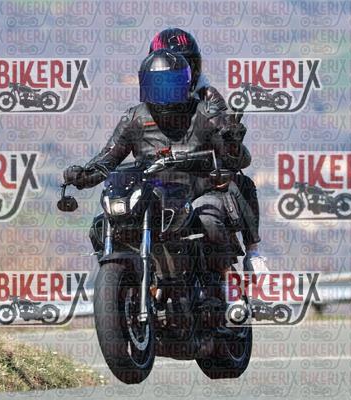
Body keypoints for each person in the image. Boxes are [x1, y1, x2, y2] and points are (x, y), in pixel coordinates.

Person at [64, 49, 249, 273]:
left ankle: (221, 279)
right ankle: (124, 279)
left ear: (186, 84)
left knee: (209, 222)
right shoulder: (135, 117)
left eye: (171, 85)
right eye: (158, 85)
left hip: (195, 193)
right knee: (99, 228)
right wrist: (83, 176)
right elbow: (108, 158)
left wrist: (232, 143)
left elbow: (239, 161)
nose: (165, 93)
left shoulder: (204, 113)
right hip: (149, 195)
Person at [148, 28, 266, 271]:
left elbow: (234, 155)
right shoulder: (145, 107)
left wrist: (230, 140)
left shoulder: (209, 99)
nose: (174, 73)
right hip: (164, 184)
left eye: (182, 66)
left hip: (200, 180)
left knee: (233, 189)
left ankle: (250, 254)